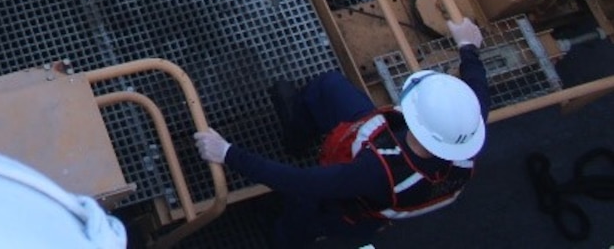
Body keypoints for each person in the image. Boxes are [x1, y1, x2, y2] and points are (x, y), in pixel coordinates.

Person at [193, 17, 490, 247]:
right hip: (369, 143)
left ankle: (282, 238)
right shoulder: (464, 134)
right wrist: (468, 46)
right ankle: (298, 136)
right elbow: (478, 96)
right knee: (329, 88)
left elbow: (298, 181)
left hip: (349, 204)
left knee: (302, 209)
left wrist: (227, 152)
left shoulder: (378, 172)